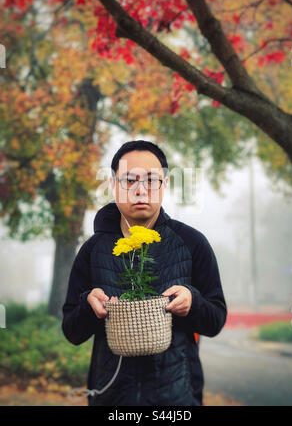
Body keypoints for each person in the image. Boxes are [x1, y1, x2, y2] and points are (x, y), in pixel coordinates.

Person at [62, 140, 227, 406]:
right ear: (114, 186)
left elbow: (216, 320)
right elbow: (71, 332)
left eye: (151, 180)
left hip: (177, 400)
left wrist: (193, 302)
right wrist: (88, 305)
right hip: (112, 401)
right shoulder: (93, 250)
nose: (141, 191)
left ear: (165, 185)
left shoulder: (192, 243)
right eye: (129, 181)